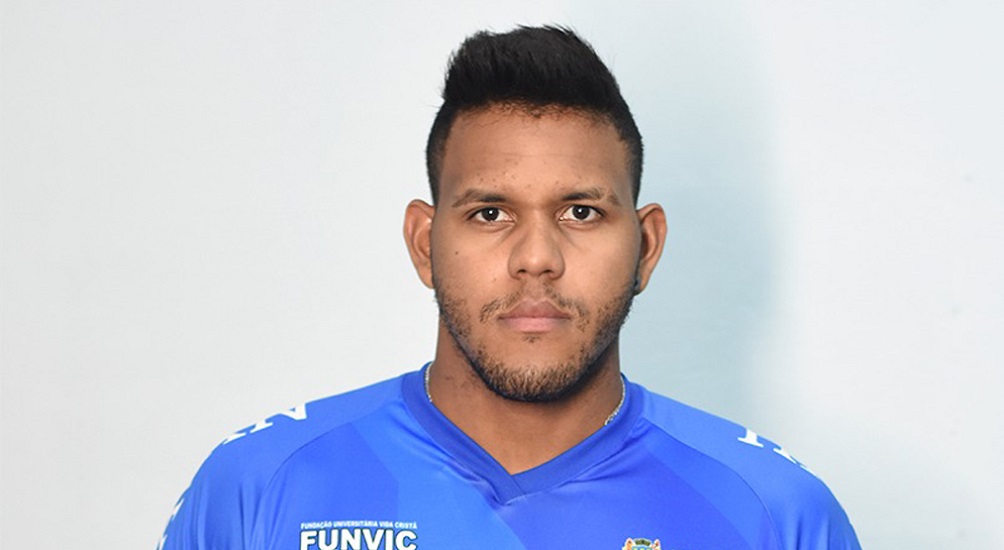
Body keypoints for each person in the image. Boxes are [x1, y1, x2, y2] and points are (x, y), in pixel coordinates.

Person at [158, 26, 860, 550]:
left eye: (580, 213)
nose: (536, 259)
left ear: (646, 247)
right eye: (490, 214)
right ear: (424, 243)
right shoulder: (259, 487)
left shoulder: (776, 514)